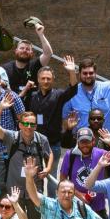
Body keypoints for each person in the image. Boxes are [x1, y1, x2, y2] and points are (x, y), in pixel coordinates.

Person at [0, 95, 53, 219]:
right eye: (25, 123)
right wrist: (1, 108)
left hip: (34, 190)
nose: (28, 127)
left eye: (32, 124)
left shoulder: (41, 140)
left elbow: (50, 155)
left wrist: (48, 169)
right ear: (20, 124)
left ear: (35, 125)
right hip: (14, 192)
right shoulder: (12, 137)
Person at [22, 65, 77, 193]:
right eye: (43, 78)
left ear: (53, 80)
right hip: (33, 143)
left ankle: (51, 204)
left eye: (48, 78)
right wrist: (25, 89)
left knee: (51, 176)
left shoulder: (58, 95)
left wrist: (71, 72)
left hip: (53, 144)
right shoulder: (32, 95)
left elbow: (73, 89)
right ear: (38, 79)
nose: (46, 81)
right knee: (33, 173)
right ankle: (34, 200)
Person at [61, 127, 110, 217]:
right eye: (82, 142)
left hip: (98, 207)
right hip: (76, 205)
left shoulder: (100, 154)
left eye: (87, 141)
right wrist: (79, 195)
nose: (85, 145)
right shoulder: (70, 155)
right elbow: (62, 180)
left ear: (93, 141)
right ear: (77, 142)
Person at [62, 57, 110, 135]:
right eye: (85, 73)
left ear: (95, 73)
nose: (88, 75)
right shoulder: (72, 93)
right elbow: (65, 118)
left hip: (107, 140)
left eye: (91, 73)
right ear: (79, 74)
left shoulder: (108, 87)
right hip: (82, 140)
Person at [61, 108, 110, 177]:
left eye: (99, 118)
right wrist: (69, 130)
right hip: (81, 174)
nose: (96, 121)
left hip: (103, 178)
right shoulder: (81, 133)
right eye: (93, 118)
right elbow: (65, 145)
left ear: (103, 120)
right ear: (88, 120)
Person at [1, 24, 55, 95]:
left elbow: (48, 53)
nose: (24, 50)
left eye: (27, 49)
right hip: (11, 103)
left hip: (32, 104)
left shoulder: (35, 65)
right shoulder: (5, 68)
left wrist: (41, 34)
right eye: (22, 48)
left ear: (32, 53)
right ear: (16, 51)